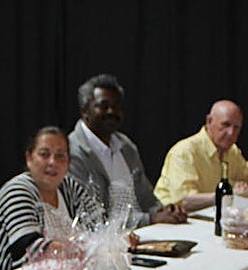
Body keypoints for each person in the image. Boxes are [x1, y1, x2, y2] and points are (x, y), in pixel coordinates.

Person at [0, 125, 104, 270]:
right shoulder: (17, 191)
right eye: (44, 154)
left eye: (60, 156)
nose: (52, 162)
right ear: (29, 158)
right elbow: (31, 250)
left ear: (68, 163)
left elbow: (99, 225)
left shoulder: (69, 188)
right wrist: (83, 251)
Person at [67, 73, 186, 228]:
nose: (111, 111)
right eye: (103, 106)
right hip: (101, 239)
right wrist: (150, 219)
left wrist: (166, 211)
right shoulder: (71, 152)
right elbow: (93, 218)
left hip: (144, 233)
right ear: (85, 111)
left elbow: (146, 198)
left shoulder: (126, 146)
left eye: (117, 106)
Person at [154, 99, 248, 212]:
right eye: (225, 125)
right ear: (209, 121)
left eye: (236, 127)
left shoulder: (233, 151)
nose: (231, 133)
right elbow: (185, 202)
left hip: (209, 215)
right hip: (172, 218)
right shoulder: (185, 152)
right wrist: (227, 195)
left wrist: (245, 187)